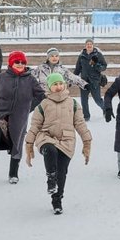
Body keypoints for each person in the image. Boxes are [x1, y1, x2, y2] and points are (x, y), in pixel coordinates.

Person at [24, 73, 92, 215]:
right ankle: (51, 178)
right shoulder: (43, 105)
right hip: (46, 137)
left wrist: (87, 142)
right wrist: (29, 144)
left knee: (62, 172)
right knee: (50, 150)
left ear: (64, 85)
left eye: (60, 83)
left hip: (67, 141)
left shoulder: (73, 104)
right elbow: (35, 126)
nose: (58, 86)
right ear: (49, 87)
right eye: (55, 84)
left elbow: (80, 124)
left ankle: (57, 200)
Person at [0, 50, 45, 184]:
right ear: (11, 63)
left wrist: (30, 107)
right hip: (1, 112)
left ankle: (13, 173)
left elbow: (41, 96)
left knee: (16, 144)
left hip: (19, 116)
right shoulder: (2, 77)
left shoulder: (30, 79)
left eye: (22, 62)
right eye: (17, 62)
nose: (20, 64)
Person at [73, 39, 108, 121]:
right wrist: (73, 78)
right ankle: (86, 116)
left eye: (90, 44)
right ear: (85, 46)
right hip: (84, 81)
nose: (89, 45)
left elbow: (104, 65)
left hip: (95, 81)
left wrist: (98, 67)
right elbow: (78, 68)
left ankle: (105, 109)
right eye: (87, 44)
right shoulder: (81, 56)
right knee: (84, 100)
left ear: (93, 45)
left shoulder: (98, 55)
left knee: (97, 100)